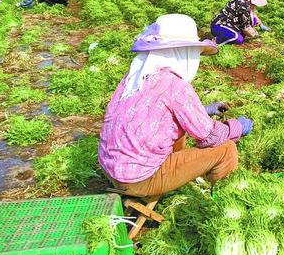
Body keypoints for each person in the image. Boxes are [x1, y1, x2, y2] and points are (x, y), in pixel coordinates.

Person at [98, 13, 254, 198]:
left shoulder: (134, 78)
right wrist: (237, 127)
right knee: (226, 149)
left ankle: (179, 173)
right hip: (139, 180)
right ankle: (217, 199)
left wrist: (205, 110)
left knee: (180, 130)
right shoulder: (174, 84)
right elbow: (211, 136)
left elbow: (155, 115)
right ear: (184, 52)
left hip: (111, 169)